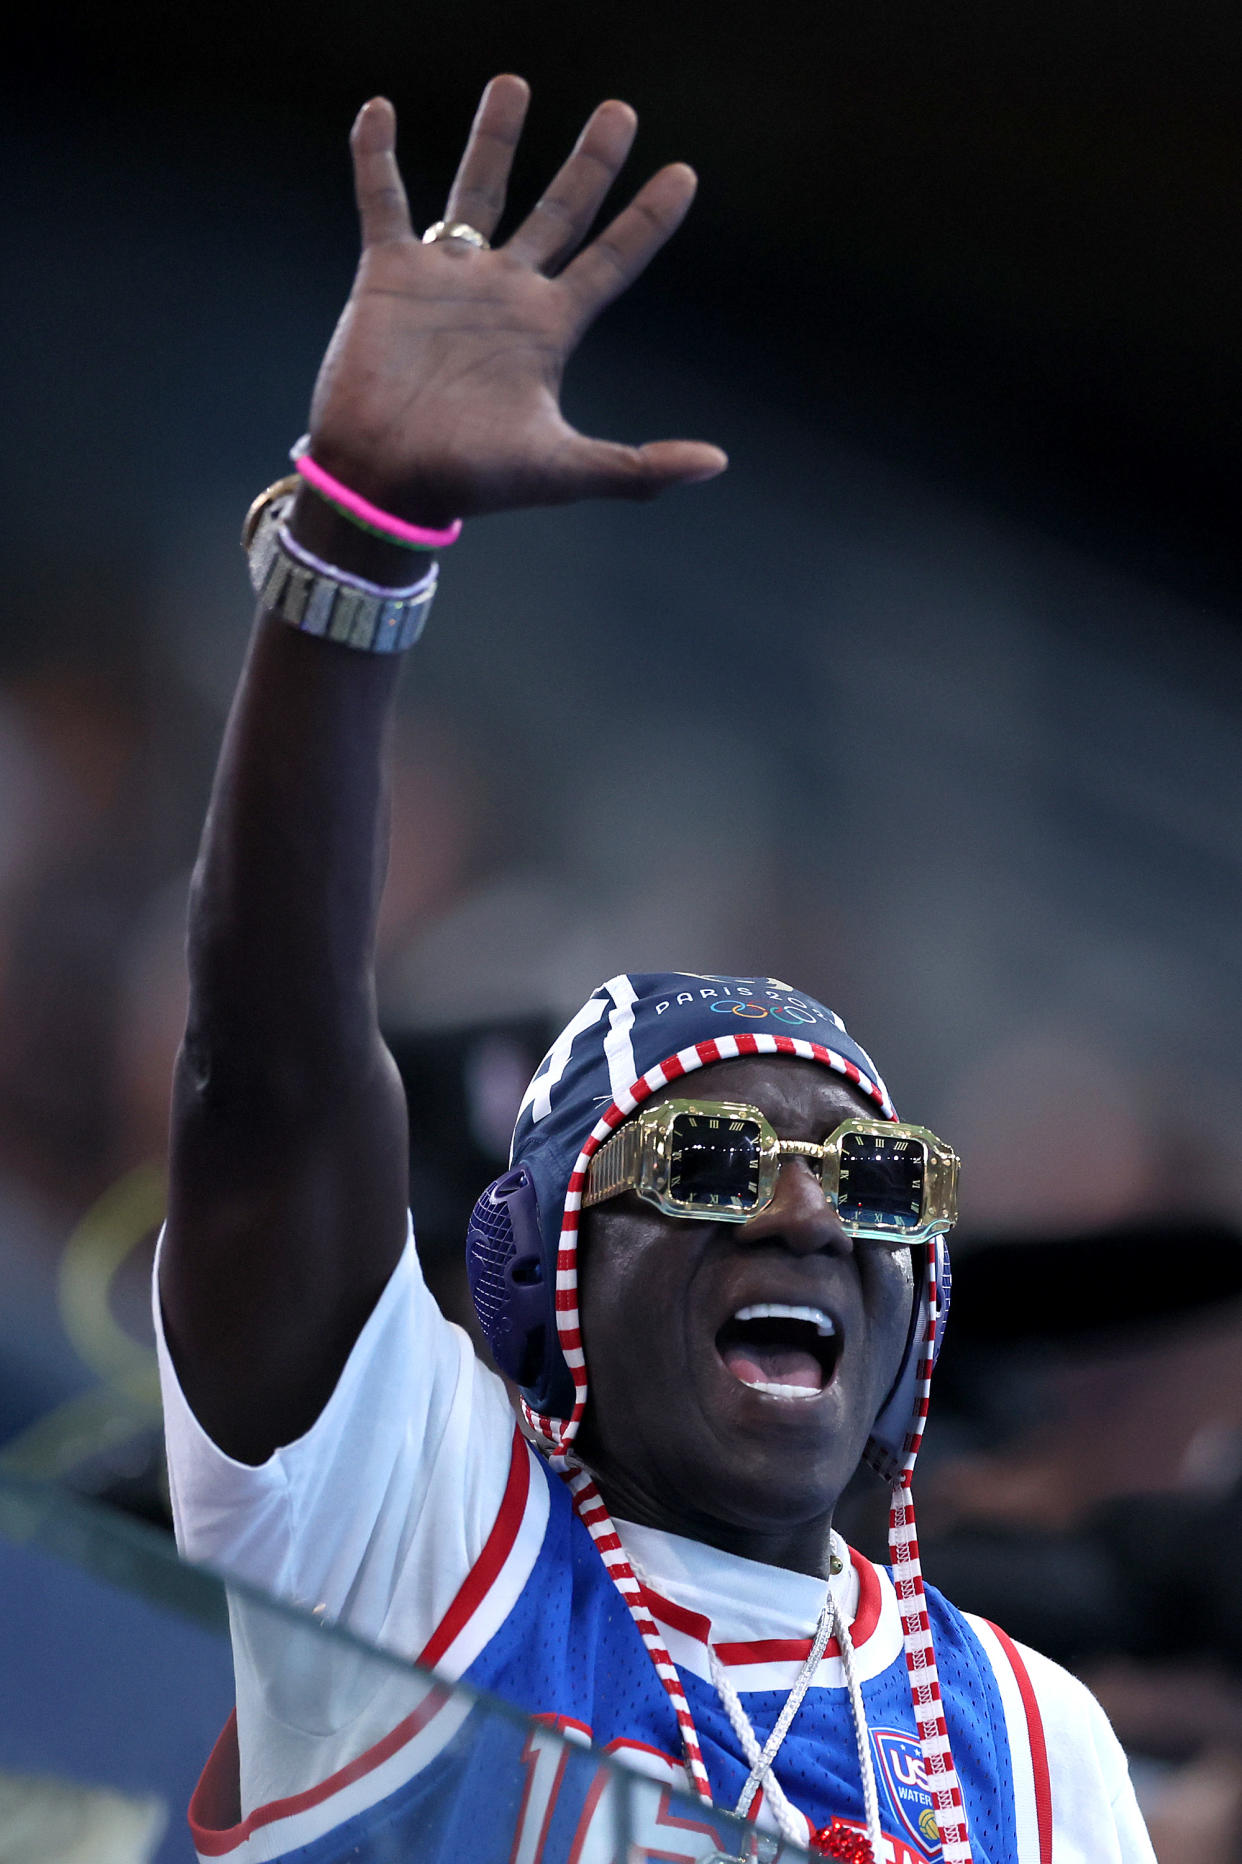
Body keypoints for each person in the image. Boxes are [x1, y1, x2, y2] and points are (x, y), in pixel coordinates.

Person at [154, 76, 1156, 1864]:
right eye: (705, 1161)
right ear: (550, 1268)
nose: (804, 1220)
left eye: (873, 1182)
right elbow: (272, 1081)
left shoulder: (1031, 1741)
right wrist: (359, 540)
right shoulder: (413, 1514)